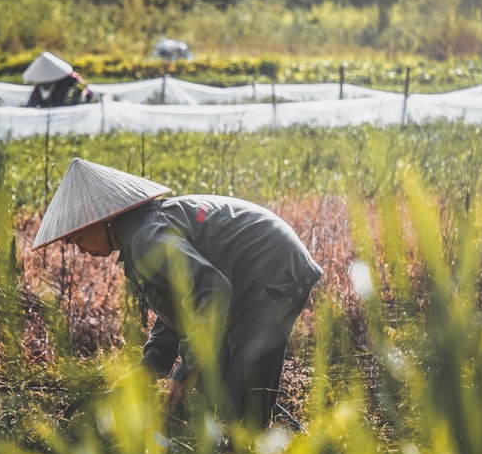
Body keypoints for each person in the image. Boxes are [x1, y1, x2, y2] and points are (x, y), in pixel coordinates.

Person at [31, 158, 322, 429]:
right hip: (254, 275)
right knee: (212, 378)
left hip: (272, 268)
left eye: (79, 238)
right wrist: (152, 366)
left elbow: (212, 293)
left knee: (244, 399)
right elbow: (178, 308)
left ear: (103, 219)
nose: (81, 249)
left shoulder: (146, 237)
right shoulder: (139, 236)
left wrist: (186, 369)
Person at [23, 51, 93, 108]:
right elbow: (31, 105)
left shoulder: (70, 79)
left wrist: (81, 95)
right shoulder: (40, 87)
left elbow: (87, 93)